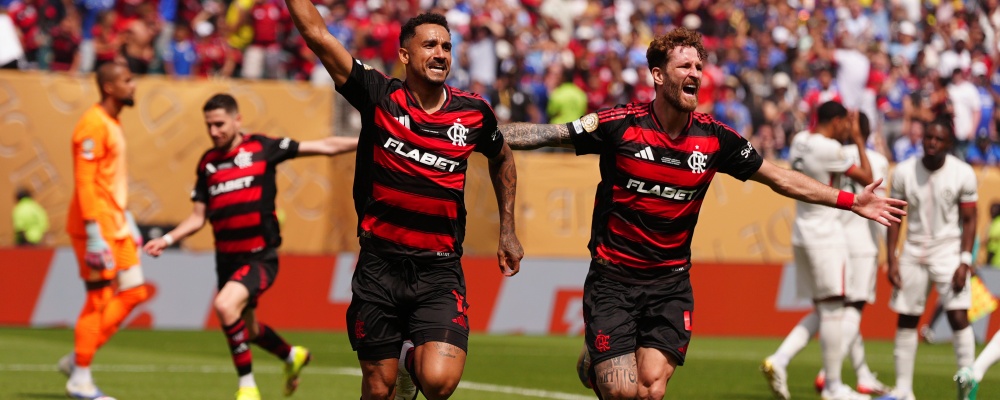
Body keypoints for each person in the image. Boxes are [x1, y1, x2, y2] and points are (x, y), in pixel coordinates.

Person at [499, 28, 905, 400]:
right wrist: (485, 133)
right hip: (614, 279)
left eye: (698, 66)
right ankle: (598, 355)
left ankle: (602, 355)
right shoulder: (620, 125)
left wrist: (852, 201)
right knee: (623, 392)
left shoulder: (714, 137)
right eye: (684, 66)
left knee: (651, 390)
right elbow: (548, 134)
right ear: (658, 75)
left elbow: (779, 178)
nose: (695, 73)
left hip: (670, 283)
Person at [283, 5, 522, 400]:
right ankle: (402, 366)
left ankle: (411, 361)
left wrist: (507, 230)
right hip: (380, 265)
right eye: (430, 45)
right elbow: (318, 37)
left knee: (439, 382)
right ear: (405, 55)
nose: (440, 54)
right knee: (379, 389)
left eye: (446, 46)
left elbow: (503, 159)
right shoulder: (379, 94)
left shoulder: (474, 113)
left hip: (439, 269)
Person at [142, 93, 358, 400]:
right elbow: (198, 217)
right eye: (209, 125)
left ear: (237, 120)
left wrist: (368, 141)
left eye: (219, 124)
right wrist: (166, 239)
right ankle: (291, 356)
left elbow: (323, 146)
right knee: (249, 329)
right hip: (227, 261)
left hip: (259, 257)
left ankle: (247, 387)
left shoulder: (261, 148)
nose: (214, 131)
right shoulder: (208, 163)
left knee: (224, 306)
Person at [763, 111, 891, 400]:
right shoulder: (850, 153)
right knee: (844, 310)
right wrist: (892, 252)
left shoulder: (801, 140)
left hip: (804, 231)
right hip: (841, 239)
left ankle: (787, 360)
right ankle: (832, 381)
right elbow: (869, 180)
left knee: (826, 310)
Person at [60, 62, 151, 400]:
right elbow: (85, 182)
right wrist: (93, 231)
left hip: (116, 224)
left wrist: (127, 218)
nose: (133, 85)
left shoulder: (113, 122)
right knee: (98, 299)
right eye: (127, 80)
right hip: (96, 226)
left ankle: (78, 358)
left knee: (134, 292)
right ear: (109, 87)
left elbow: (108, 180)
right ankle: (80, 379)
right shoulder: (92, 124)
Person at [877, 116, 978, 400]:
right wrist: (892, 258)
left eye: (939, 139)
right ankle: (903, 391)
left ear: (949, 143)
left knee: (958, 315)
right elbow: (895, 217)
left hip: (948, 251)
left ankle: (968, 388)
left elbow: (970, 219)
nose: (932, 143)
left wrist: (965, 260)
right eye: (928, 137)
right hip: (913, 251)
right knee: (907, 317)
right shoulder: (904, 171)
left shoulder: (963, 173)